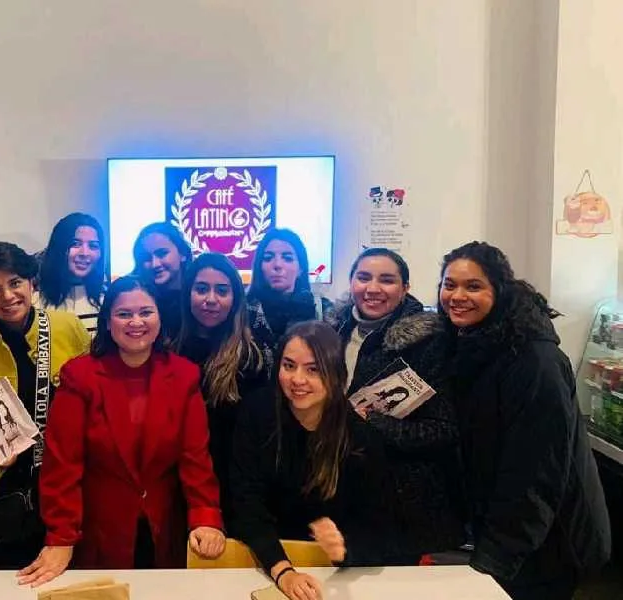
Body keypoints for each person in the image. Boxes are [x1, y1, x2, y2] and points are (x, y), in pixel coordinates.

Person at [20, 276, 225, 586]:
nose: (136, 322)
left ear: (160, 317)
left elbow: (195, 458)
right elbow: (62, 464)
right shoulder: (80, 377)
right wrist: (60, 536)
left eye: (146, 312)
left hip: (164, 527)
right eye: (124, 314)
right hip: (99, 530)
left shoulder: (184, 376)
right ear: (108, 322)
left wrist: (206, 517)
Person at [439, 241, 611, 600]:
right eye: (449, 284)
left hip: (551, 542)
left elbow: (535, 473)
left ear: (499, 291)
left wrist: (493, 560)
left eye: (473, 286)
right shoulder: (474, 342)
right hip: (519, 536)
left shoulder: (534, 360)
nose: (457, 296)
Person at [230, 321, 424, 600]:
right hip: (266, 559)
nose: (297, 379)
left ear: (334, 374)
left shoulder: (359, 435)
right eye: (288, 365)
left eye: (313, 369)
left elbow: (381, 526)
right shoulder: (258, 412)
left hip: (333, 573)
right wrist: (283, 570)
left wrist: (346, 547)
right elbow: (246, 502)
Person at [0, 242, 90, 569]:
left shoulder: (67, 328)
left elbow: (94, 397)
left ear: (31, 282)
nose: (8, 296)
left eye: (15, 283)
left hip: (64, 487)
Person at [331, 247, 465, 557]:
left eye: (387, 280)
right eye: (363, 278)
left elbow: (444, 429)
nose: (373, 289)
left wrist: (372, 421)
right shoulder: (332, 331)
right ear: (351, 282)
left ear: (405, 288)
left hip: (403, 498)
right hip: (344, 485)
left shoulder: (430, 343)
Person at [175, 252, 265, 526]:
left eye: (222, 291)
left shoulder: (249, 358)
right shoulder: (170, 349)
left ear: (235, 299)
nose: (211, 299)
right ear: (188, 294)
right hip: (174, 484)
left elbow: (253, 444)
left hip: (229, 488)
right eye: (201, 289)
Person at [246, 229, 318, 374]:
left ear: (301, 269)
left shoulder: (322, 312)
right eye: (268, 258)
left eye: (287, 258)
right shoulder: (241, 312)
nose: (277, 265)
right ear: (259, 267)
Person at [34, 213, 107, 337]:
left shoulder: (107, 298)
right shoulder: (33, 297)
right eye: (75, 244)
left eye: (93, 246)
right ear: (58, 247)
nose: (85, 253)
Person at [132, 221, 193, 341]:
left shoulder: (199, 298)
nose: (155, 264)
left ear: (183, 254)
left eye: (162, 253)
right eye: (146, 258)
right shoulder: (134, 299)